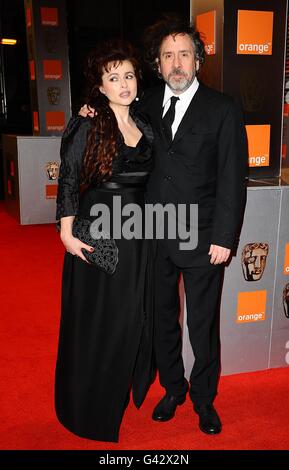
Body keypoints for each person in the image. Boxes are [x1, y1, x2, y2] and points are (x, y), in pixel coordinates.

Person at [80, 15, 248, 435]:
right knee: (161, 318)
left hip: (203, 237)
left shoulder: (223, 109)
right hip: (151, 233)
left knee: (202, 324)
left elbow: (232, 177)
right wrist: (90, 107)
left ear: (198, 60)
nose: (177, 63)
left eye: (185, 54)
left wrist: (225, 237)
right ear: (158, 63)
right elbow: (113, 111)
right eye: (168, 55)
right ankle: (172, 387)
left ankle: (204, 398)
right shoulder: (146, 103)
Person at [55, 39, 154, 442]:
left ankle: (120, 386)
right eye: (113, 78)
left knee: (131, 317)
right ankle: (89, 405)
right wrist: (65, 231)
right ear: (100, 84)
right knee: (98, 321)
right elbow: (68, 176)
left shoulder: (147, 124)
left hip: (139, 234)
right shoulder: (87, 122)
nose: (123, 83)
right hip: (98, 234)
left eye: (128, 75)